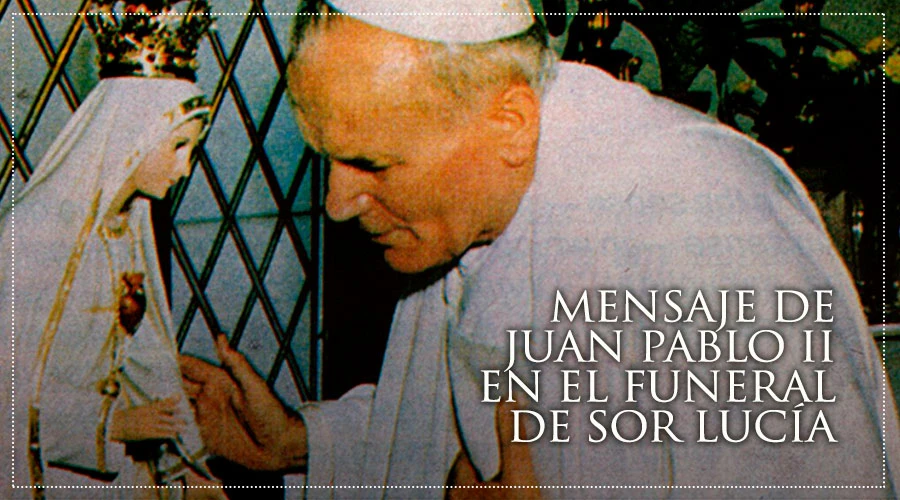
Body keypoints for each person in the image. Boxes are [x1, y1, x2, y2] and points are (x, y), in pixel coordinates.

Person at [179, 0, 900, 498]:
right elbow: (462, 435)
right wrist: (305, 444)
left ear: (510, 123)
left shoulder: (701, 221)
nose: (339, 203)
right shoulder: (469, 202)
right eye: (329, 162)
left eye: (372, 164)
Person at [0, 1, 221, 497]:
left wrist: (188, 469)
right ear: (133, 138)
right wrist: (112, 423)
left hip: (117, 473)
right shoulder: (36, 234)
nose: (185, 168)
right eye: (177, 146)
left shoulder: (125, 229)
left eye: (193, 149)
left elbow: (143, 359)